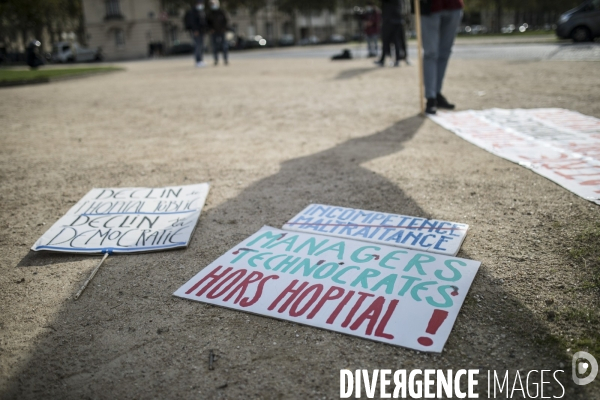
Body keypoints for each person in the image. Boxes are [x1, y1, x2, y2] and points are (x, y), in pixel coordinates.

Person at [419, 0, 463, 114]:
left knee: (444, 53)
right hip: (430, 7)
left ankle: (437, 93)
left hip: (453, 6)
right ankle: (431, 97)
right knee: (431, 53)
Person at [375, 0, 408, 67]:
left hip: (394, 21)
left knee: (397, 41)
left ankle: (398, 59)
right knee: (386, 41)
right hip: (392, 20)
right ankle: (385, 59)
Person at [184, 0, 207, 67]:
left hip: (201, 31)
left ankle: (201, 60)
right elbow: (193, 22)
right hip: (196, 31)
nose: (201, 5)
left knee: (201, 46)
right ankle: (198, 61)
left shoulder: (201, 11)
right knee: (198, 46)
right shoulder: (193, 12)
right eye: (200, 3)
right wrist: (195, 30)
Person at [207, 0, 229, 66]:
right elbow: (207, 23)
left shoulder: (221, 12)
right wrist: (210, 29)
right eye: (211, 4)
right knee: (214, 47)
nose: (213, 5)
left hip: (221, 31)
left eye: (214, 3)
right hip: (213, 32)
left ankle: (225, 59)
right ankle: (216, 60)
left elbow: (226, 21)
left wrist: (224, 28)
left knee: (224, 46)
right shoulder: (209, 13)